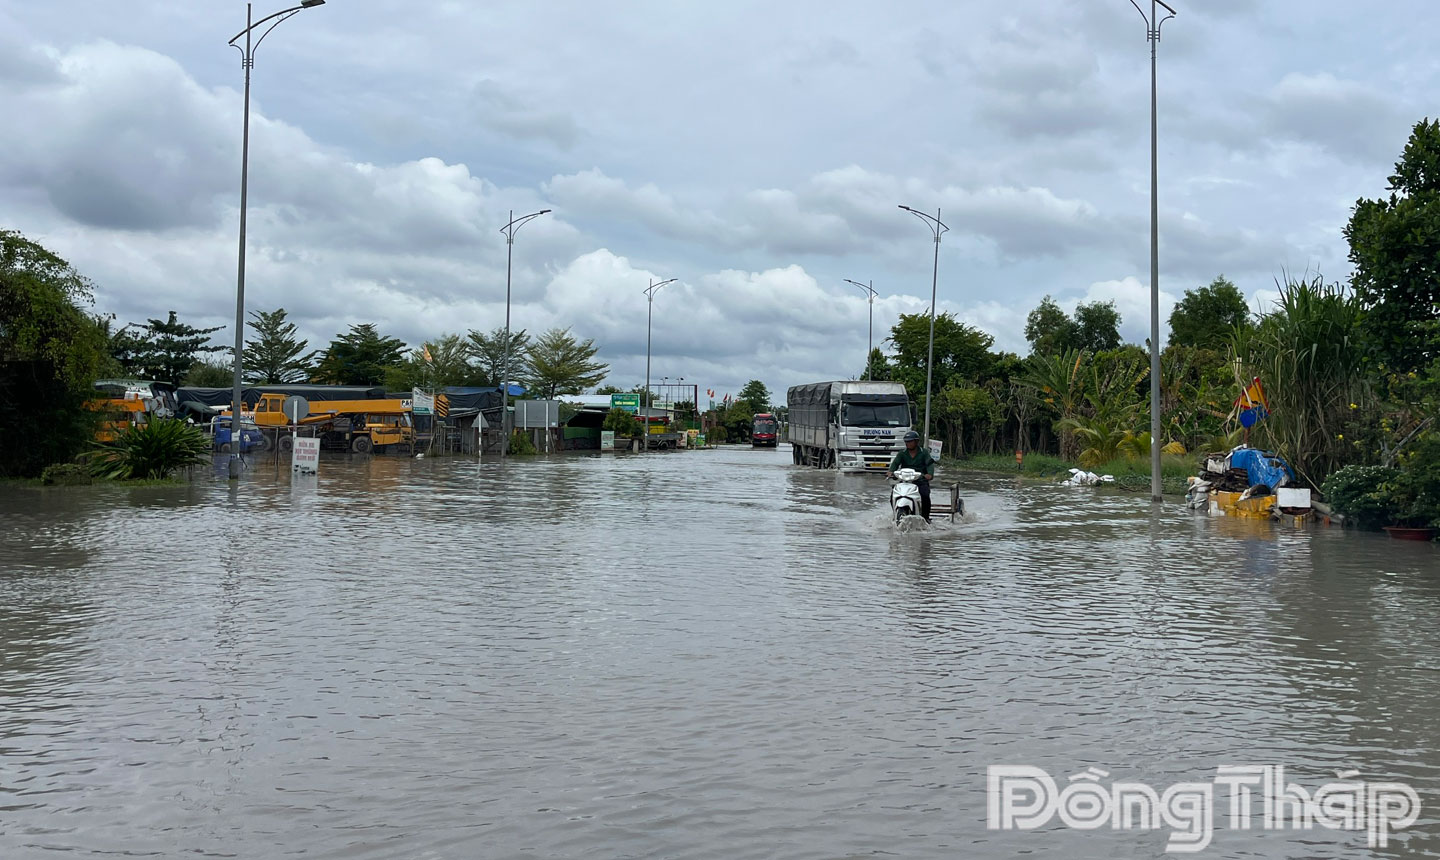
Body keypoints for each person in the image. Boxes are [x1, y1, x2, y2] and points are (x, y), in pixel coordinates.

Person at [887, 430, 934, 521]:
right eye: (906, 441)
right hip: (905, 480)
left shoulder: (924, 452)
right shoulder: (902, 453)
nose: (907, 443)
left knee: (925, 496)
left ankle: (926, 518)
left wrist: (929, 474)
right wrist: (891, 471)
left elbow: (929, 465)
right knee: (893, 495)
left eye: (910, 441)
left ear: (916, 441)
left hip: (920, 481)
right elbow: (895, 463)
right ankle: (895, 514)